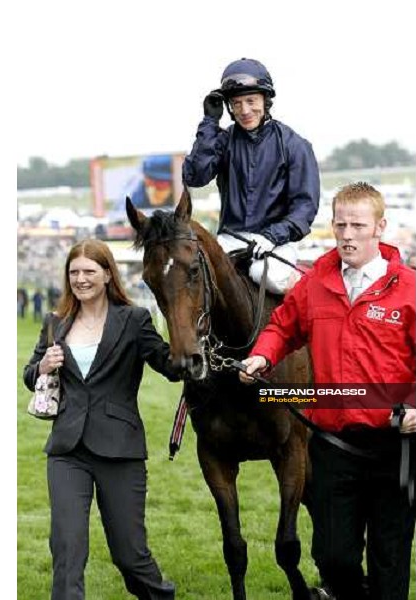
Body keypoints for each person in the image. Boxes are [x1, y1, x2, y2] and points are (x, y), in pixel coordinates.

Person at [240, 182, 416, 600]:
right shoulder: (315, 281)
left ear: (380, 228)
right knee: (334, 557)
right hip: (333, 446)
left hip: (396, 448)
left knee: (390, 563)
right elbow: (283, 325)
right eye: (341, 225)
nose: (348, 234)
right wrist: (262, 356)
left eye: (358, 225)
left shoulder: (411, 288)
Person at [23, 239, 180, 600]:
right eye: (74, 272)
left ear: (107, 274)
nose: (81, 279)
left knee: (129, 555)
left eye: (89, 271)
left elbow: (168, 364)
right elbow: (31, 374)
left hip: (120, 449)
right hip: (67, 449)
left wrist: (193, 348)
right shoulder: (55, 322)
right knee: (66, 548)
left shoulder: (135, 319)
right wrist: (43, 366)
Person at [182, 58, 320, 294]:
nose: (245, 111)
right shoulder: (223, 140)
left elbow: (305, 207)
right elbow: (194, 176)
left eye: (251, 101)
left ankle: (301, 301)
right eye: (236, 104)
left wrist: (273, 235)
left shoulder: (295, 145)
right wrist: (209, 123)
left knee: (267, 277)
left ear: (265, 100)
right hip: (230, 238)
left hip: (276, 241)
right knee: (195, 279)